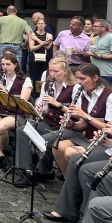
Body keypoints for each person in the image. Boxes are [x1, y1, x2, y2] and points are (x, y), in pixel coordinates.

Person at [14, 57, 76, 185]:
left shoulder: (74, 88)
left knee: (42, 140)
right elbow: (41, 101)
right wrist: (39, 108)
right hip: (47, 121)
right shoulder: (48, 84)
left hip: (64, 126)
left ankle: (44, 171)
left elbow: (75, 113)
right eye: (50, 71)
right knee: (22, 130)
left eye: (56, 71)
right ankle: (27, 170)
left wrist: (58, 104)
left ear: (65, 71)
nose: (52, 74)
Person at [51, 63, 112, 176]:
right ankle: (68, 181)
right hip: (88, 136)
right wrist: (72, 124)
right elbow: (83, 124)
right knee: (57, 147)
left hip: (104, 141)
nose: (79, 82)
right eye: (77, 78)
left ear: (95, 78)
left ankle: (75, 185)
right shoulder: (83, 93)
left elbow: (108, 128)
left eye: (82, 78)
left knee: (70, 152)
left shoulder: (109, 96)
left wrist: (85, 115)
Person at [0, 52, 32, 170]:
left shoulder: (25, 80)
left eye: (8, 64)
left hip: (16, 113)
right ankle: (1, 155)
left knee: (1, 126)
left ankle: (0, 154)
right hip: (0, 110)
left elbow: (22, 102)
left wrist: (6, 93)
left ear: (15, 65)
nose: (5, 67)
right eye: (3, 64)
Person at [28, 18, 53, 83]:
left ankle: (41, 92)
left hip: (45, 57)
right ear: (36, 25)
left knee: (43, 76)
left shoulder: (49, 35)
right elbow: (32, 48)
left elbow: (48, 47)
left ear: (45, 25)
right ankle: (34, 92)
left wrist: (37, 40)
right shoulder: (32, 35)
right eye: (39, 23)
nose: (41, 25)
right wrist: (42, 43)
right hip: (34, 57)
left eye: (42, 23)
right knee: (34, 76)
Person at [87, 19, 112, 85]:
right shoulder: (96, 38)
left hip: (107, 74)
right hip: (96, 73)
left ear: (103, 28)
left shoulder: (110, 37)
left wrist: (100, 56)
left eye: (95, 26)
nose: (93, 28)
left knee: (107, 94)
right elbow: (94, 52)